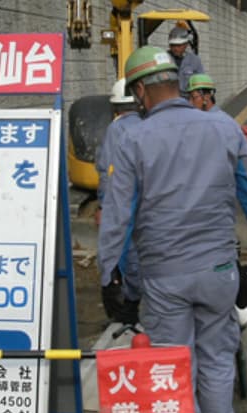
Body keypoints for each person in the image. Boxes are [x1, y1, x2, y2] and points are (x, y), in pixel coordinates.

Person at [98, 46, 247, 413]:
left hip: (165, 274)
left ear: (140, 91)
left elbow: (119, 213)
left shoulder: (133, 136)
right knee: (217, 350)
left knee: (175, 357)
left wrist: (109, 273)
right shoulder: (222, 127)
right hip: (219, 269)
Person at [186, 73, 247, 276]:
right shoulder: (228, 128)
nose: (188, 102)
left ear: (205, 97)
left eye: (191, 97)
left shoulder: (184, 129)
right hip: (218, 234)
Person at [94, 78, 142, 319]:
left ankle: (126, 302)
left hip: (123, 197)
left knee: (121, 249)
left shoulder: (116, 129)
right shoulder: (149, 123)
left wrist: (103, 204)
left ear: (115, 107)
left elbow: (108, 171)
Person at [168, 25, 205, 97]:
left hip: (188, 101)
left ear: (186, 44)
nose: (175, 48)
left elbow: (201, 83)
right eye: (172, 45)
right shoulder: (164, 58)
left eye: (178, 45)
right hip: (170, 101)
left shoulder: (194, 60)